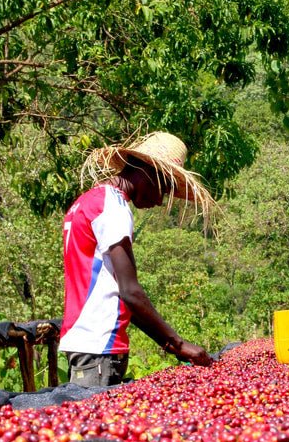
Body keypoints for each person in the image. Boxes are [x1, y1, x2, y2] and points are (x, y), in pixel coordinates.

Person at [59, 131, 215, 387]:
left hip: (86, 342)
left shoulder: (89, 201)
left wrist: (170, 344)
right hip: (99, 346)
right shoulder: (113, 207)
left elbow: (118, 294)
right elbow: (130, 292)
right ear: (148, 173)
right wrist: (179, 344)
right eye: (164, 188)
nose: (160, 200)